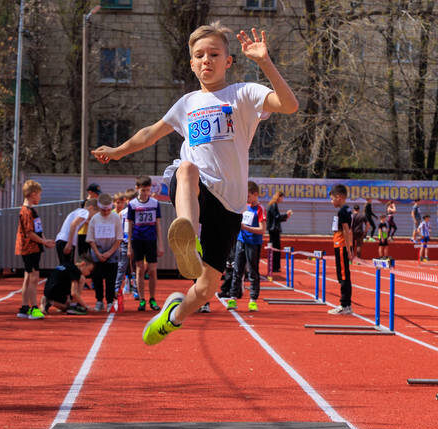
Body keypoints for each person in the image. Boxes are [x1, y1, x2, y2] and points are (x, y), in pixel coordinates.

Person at [92, 22, 298, 345]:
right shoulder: (187, 104)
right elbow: (150, 133)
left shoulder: (243, 94)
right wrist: (118, 151)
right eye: (199, 55)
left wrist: (265, 62)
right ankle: (186, 234)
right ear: (191, 63)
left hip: (229, 203)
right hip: (195, 188)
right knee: (186, 168)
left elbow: (290, 105)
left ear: (228, 61)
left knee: (207, 288)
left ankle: (173, 317)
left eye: (214, 54)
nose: (206, 60)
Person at [15, 180, 57, 319]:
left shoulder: (32, 210)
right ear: (33, 194)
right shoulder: (26, 211)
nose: (40, 197)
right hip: (29, 248)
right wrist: (43, 241)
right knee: (33, 277)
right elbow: (30, 233)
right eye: (39, 194)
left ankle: (24, 307)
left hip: (34, 247)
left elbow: (38, 230)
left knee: (28, 277)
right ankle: (34, 308)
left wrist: (45, 241)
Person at [126, 175, 165, 311]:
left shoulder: (155, 203)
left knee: (153, 270)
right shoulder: (132, 204)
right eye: (143, 190)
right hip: (137, 240)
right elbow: (129, 225)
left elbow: (158, 224)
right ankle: (142, 299)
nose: (145, 193)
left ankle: (152, 298)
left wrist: (161, 244)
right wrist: (129, 246)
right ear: (137, 188)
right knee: (139, 269)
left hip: (151, 240)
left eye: (148, 190)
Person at [227, 181, 265, 311]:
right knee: (237, 269)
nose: (246, 199)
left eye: (248, 196)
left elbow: (262, 230)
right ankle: (233, 298)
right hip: (241, 241)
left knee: (253, 271)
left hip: (253, 243)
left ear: (255, 194)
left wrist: (246, 228)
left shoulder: (260, 209)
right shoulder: (244, 207)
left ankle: (253, 300)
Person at [87, 193, 123, 312]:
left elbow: (119, 238)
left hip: (112, 251)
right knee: (97, 278)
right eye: (103, 210)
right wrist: (98, 253)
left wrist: (109, 253)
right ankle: (99, 300)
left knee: (110, 279)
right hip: (97, 251)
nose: (106, 212)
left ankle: (110, 301)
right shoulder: (95, 219)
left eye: (108, 210)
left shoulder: (115, 218)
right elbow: (90, 239)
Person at [329, 184, 353, 315]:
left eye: (332, 199)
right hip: (341, 245)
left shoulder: (343, 211)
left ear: (339, 197)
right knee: (343, 275)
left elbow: (347, 231)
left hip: (342, 246)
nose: (331, 202)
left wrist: (349, 250)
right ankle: (345, 304)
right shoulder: (346, 210)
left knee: (343, 275)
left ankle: (345, 305)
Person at [111, 191, 139, 302]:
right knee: (122, 266)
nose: (131, 202)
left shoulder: (138, 212)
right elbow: (118, 229)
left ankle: (136, 290)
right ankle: (116, 289)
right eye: (129, 200)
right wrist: (118, 242)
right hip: (124, 242)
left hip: (135, 242)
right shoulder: (122, 213)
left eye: (133, 200)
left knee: (135, 267)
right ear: (126, 201)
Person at [55, 198, 95, 265]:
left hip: (63, 240)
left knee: (65, 265)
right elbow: (73, 224)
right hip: (66, 241)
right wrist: (69, 243)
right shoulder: (85, 212)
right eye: (95, 212)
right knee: (67, 266)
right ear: (91, 207)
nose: (94, 216)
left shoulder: (78, 211)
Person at [266, 191, 292, 275]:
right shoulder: (274, 205)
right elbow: (277, 217)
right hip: (274, 230)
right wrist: (286, 215)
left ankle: (275, 266)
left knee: (274, 248)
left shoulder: (272, 204)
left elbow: (276, 218)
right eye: (282, 197)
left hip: (273, 229)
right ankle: (275, 267)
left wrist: (285, 217)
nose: (282, 199)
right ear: (279, 197)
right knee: (276, 248)